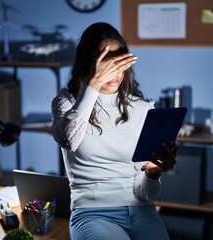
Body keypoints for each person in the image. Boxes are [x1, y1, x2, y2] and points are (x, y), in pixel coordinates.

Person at [51, 22, 178, 240]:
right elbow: (67, 139)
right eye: (106, 62)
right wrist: (94, 83)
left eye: (119, 60)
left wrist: (153, 172)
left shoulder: (142, 108)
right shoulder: (67, 102)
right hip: (91, 213)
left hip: (141, 209)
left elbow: (144, 192)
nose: (115, 70)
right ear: (89, 62)